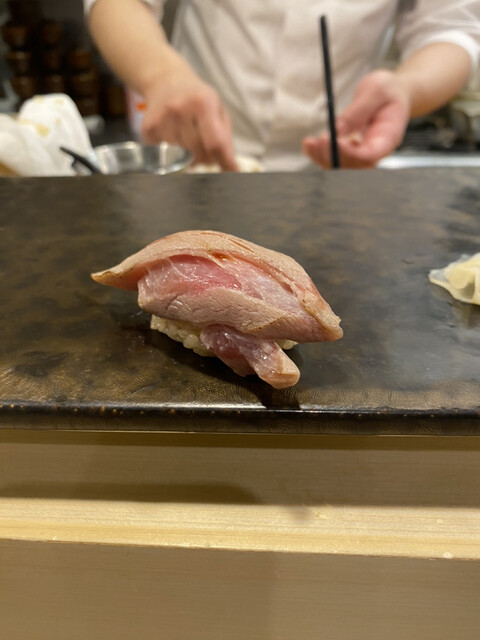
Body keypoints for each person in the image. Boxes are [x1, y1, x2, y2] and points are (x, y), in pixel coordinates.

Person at [84, 0, 480, 171]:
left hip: (338, 164)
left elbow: (451, 28)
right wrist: (163, 77)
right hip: (200, 157)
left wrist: (407, 88)